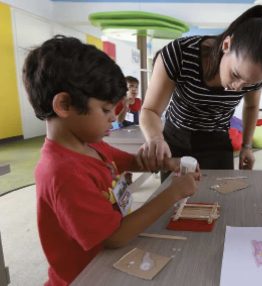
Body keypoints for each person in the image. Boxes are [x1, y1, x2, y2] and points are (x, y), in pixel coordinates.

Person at [23, 35, 199, 286]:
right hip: (86, 276)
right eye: (105, 110)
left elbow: (126, 161)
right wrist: (172, 193)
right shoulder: (62, 172)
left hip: (110, 262)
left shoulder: (87, 142)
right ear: (64, 104)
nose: (112, 118)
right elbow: (113, 237)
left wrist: (167, 163)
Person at [139, 4, 262, 171]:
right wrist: (156, 139)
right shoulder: (179, 54)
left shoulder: (255, 75)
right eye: (236, 75)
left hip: (217, 139)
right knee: (177, 194)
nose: (237, 88)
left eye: (248, 83)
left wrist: (247, 146)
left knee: (221, 193)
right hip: (176, 137)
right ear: (227, 45)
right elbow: (150, 110)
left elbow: (251, 106)